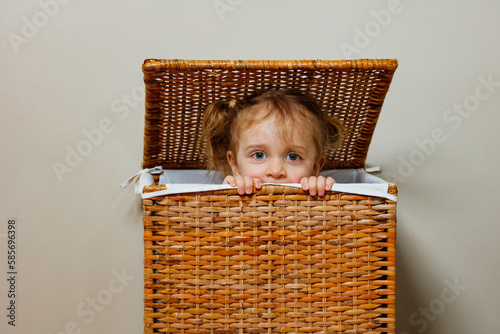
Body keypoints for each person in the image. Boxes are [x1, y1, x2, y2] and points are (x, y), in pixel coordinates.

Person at [201, 88, 343, 196]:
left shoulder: (318, 191)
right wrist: (227, 196)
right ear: (235, 165)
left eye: (292, 156)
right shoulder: (232, 190)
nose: (276, 171)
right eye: (259, 155)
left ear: (314, 168)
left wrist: (324, 196)